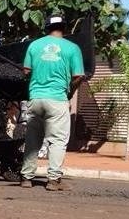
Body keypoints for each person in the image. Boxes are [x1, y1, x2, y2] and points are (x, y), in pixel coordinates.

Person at [20, 15, 85, 191]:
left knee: (33, 140)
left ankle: (26, 177)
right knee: (57, 140)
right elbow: (78, 76)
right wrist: (70, 91)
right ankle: (53, 180)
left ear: (47, 27)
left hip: (35, 99)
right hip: (57, 100)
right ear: (64, 27)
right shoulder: (72, 48)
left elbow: (26, 71)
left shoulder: (34, 45)